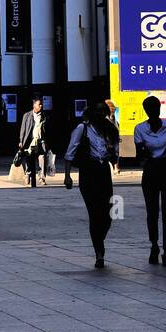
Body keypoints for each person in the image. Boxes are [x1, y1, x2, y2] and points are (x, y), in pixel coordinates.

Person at [64, 103, 119, 268]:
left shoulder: (109, 131)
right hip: (88, 172)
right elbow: (70, 152)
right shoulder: (83, 129)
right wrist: (67, 176)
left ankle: (99, 238)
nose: (102, 116)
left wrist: (112, 153)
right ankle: (99, 251)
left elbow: (114, 157)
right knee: (94, 213)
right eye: (100, 113)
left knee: (109, 213)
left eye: (105, 113)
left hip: (103, 171)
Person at [134, 96, 166, 267]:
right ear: (146, 110)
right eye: (149, 108)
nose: (152, 111)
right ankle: (154, 245)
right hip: (151, 173)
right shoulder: (140, 129)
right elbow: (140, 154)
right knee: (152, 212)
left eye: (154, 107)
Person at [18, 98, 51, 188]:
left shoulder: (44, 116)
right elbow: (23, 129)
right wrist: (21, 141)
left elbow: (48, 130)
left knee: (42, 158)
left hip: (41, 141)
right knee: (29, 158)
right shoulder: (27, 115)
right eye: (39, 104)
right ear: (34, 105)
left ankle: (42, 178)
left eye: (41, 104)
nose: (41, 106)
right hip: (30, 141)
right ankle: (28, 174)